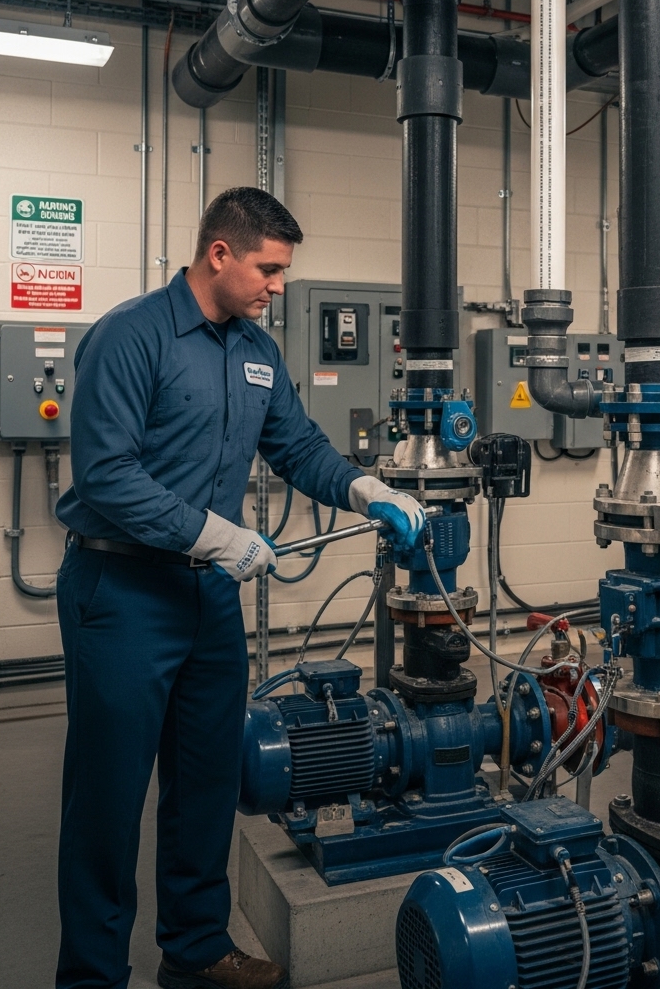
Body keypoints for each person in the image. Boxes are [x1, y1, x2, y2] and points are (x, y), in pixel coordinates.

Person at [54, 187, 425, 989]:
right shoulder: (129, 337)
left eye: (284, 272)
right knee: (107, 802)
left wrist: (370, 491)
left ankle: (193, 951)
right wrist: (216, 534)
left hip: (207, 600)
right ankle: (90, 975)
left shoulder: (254, 350)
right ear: (218, 253)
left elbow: (297, 446)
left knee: (204, 782)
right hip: (121, 590)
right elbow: (106, 475)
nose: (279, 286)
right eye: (269, 268)